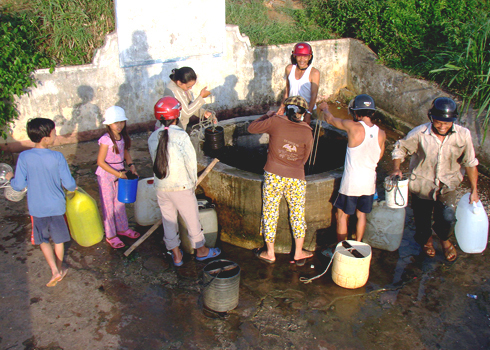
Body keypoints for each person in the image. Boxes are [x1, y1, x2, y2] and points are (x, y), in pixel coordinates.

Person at [391, 97, 479, 262]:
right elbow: (400, 148)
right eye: (438, 122)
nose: (442, 126)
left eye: (447, 123)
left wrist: (474, 190)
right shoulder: (420, 133)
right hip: (422, 185)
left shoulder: (463, 135)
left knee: (447, 218)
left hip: (448, 185)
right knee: (422, 219)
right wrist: (396, 168)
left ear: (453, 121)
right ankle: (427, 240)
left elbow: (470, 163)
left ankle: (444, 240)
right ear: (431, 118)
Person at [148, 96, 221, 266]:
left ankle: (176, 255)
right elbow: (190, 163)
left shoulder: (152, 137)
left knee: (168, 220)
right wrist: (192, 183)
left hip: (161, 187)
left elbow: (155, 161)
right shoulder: (181, 136)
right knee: (192, 220)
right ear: (177, 115)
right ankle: (201, 251)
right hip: (181, 187)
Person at [6, 118, 76, 287]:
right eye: (54, 133)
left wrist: (10, 179)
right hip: (57, 206)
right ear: (46, 137)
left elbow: (19, 185)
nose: (56, 135)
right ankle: (60, 268)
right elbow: (69, 184)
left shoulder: (24, 157)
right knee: (59, 240)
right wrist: (74, 188)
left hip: (37, 208)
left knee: (43, 240)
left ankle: (54, 270)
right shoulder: (57, 157)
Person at [248, 96, 314, 266]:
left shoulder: (275, 121)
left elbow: (251, 128)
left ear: (285, 109)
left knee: (270, 211)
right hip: (296, 176)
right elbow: (305, 157)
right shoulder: (307, 131)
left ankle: (270, 253)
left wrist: (268, 116)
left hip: (273, 175)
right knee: (298, 213)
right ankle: (298, 252)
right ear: (302, 113)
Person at [319, 94, 386, 245]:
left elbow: (330, 120)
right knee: (361, 215)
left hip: (352, 183)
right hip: (369, 183)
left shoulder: (352, 126)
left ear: (356, 112)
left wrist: (325, 109)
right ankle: (359, 243)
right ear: (372, 113)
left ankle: (341, 248)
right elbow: (378, 157)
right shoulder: (381, 133)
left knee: (342, 215)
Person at [96, 106, 140, 249]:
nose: (119, 125)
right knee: (108, 206)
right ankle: (111, 235)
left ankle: (122, 228)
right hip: (106, 175)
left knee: (120, 202)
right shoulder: (106, 139)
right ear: (109, 124)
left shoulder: (122, 137)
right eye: (116, 122)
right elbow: (100, 162)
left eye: (121, 122)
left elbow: (125, 151)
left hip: (120, 172)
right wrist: (119, 174)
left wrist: (131, 165)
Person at [157, 66, 214, 132]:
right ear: (179, 83)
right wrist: (201, 97)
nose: (190, 88)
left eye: (191, 86)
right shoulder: (175, 91)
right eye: (188, 86)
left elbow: (187, 105)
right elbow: (187, 112)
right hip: (170, 130)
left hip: (177, 128)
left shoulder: (181, 88)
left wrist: (203, 112)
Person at [277, 43, 320, 124]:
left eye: (305, 56)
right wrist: (282, 106)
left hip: (306, 110)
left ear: (310, 57)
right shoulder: (289, 69)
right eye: (299, 56)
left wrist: (309, 114)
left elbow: (314, 95)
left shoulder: (314, 73)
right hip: (291, 109)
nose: (302, 59)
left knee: (307, 135)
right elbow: (287, 89)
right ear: (294, 56)